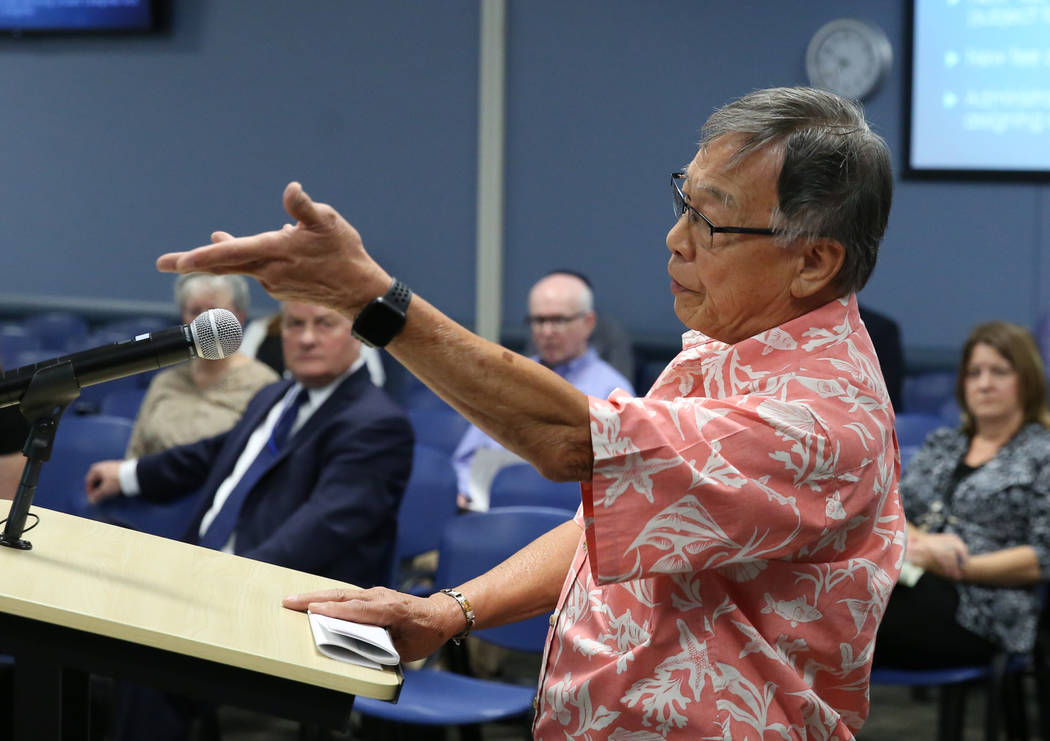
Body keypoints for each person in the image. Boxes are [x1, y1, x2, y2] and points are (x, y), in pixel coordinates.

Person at [158, 87, 903, 739]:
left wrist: (368, 301)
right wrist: (452, 609)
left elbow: (571, 445)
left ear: (813, 261)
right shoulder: (728, 345)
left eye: (711, 222)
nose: (676, 239)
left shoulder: (820, 418)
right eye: (684, 201)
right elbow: (615, 514)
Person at [85, 301, 414, 588]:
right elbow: (218, 453)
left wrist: (225, 577)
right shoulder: (276, 395)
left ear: (358, 334)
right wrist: (131, 474)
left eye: (324, 324)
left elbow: (325, 526)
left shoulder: (377, 424)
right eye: (295, 324)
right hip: (207, 570)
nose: (307, 338)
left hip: (278, 597)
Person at [874, 321, 1050, 669]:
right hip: (911, 580)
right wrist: (922, 546)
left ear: (1026, 380)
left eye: (999, 371)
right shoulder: (943, 444)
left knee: (842, 611)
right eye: (974, 373)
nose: (984, 384)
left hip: (983, 606)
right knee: (838, 598)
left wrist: (958, 567)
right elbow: (890, 513)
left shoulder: (1042, 454)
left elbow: (1043, 556)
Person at [453, 271, 635, 509]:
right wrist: (466, 490)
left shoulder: (613, 390)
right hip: (494, 510)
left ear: (588, 323)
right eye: (538, 321)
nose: (546, 332)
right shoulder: (509, 378)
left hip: (573, 523)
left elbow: (620, 477)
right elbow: (467, 457)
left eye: (558, 320)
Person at [124, 273, 278, 458]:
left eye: (213, 312)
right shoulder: (164, 382)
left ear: (239, 316)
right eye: (195, 311)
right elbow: (135, 454)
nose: (203, 324)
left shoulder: (264, 384)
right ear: (183, 318)